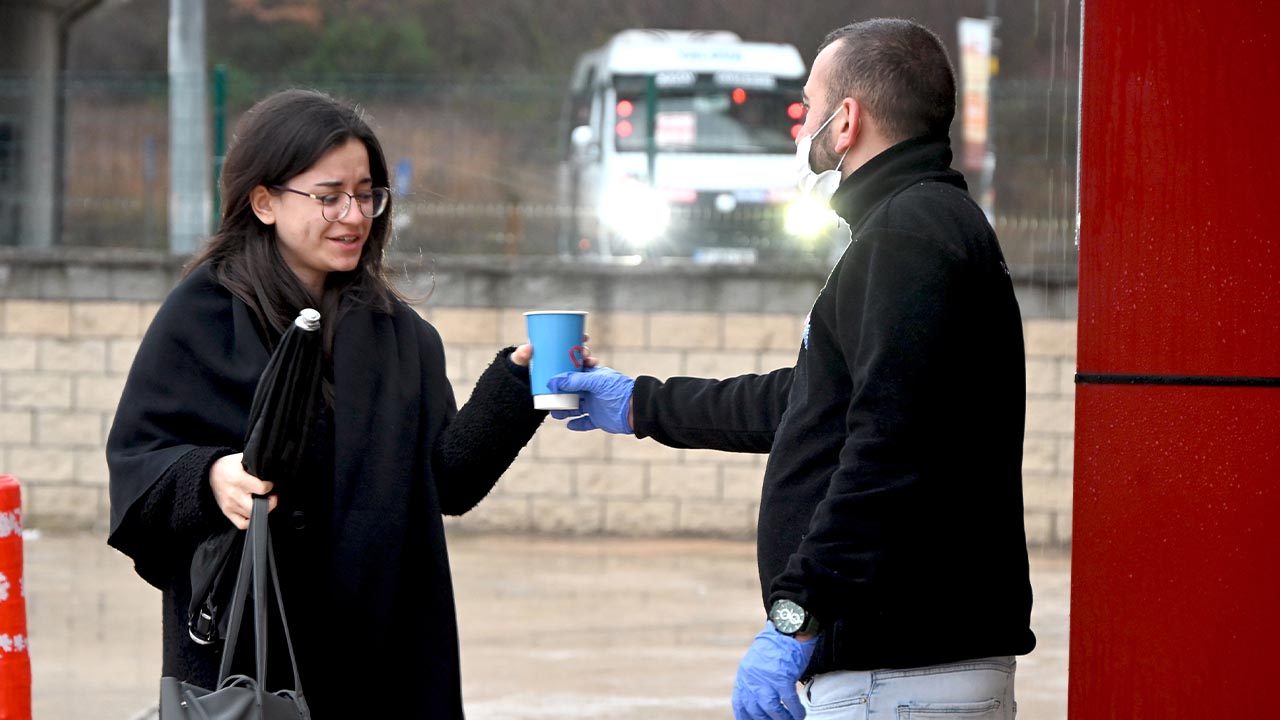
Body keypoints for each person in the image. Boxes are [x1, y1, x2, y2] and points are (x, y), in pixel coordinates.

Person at [548, 18, 1035, 720]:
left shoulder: (907, 238)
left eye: (806, 106)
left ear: (846, 121)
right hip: (903, 674)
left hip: (901, 674)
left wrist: (798, 612)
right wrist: (640, 405)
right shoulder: (914, 226)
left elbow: (886, 450)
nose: (796, 127)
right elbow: (813, 402)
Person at [106, 89, 551, 718]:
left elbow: (448, 482)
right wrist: (211, 477)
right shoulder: (203, 315)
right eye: (328, 195)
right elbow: (138, 465)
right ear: (264, 201)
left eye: (366, 193)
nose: (354, 214)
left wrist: (517, 385)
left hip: (381, 655)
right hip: (251, 658)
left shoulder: (401, 333)